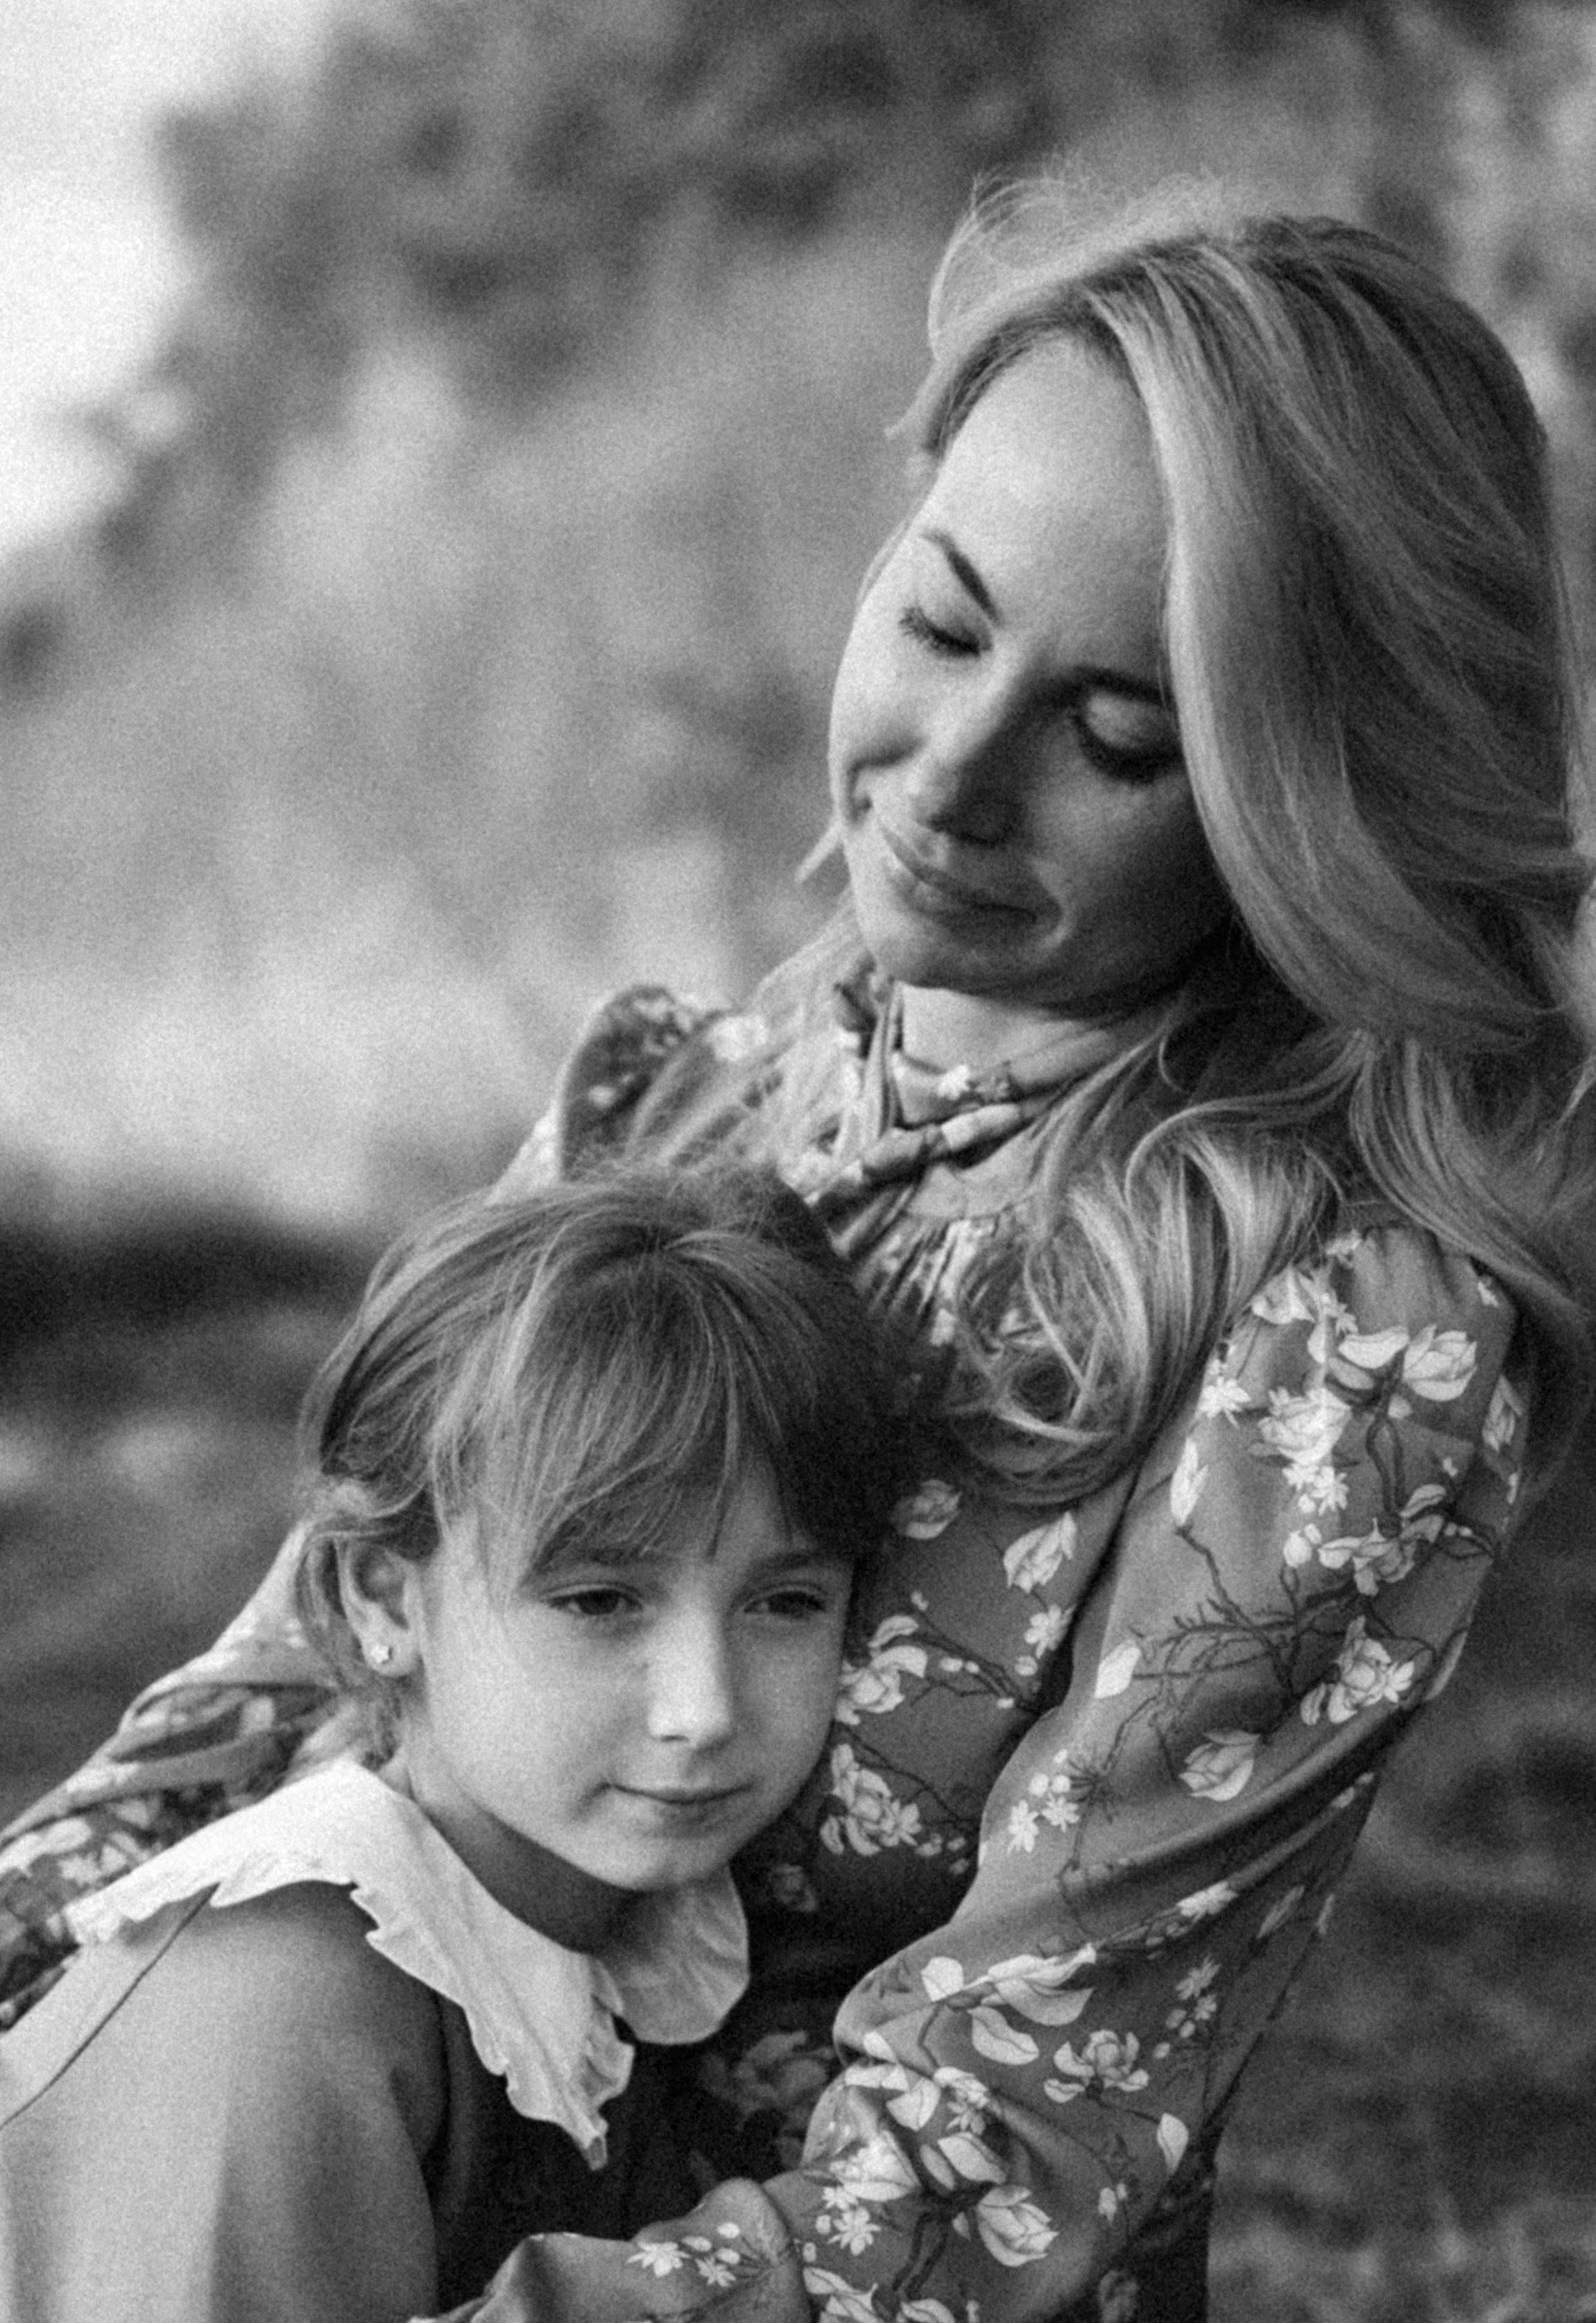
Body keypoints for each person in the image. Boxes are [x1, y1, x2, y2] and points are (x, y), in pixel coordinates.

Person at [3, 182, 1595, 2322]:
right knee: (234, 1983)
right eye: (941, 623)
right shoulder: (683, 1092)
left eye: (1117, 737)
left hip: (821, 2279)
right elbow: (308, 1658)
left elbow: (1028, 2110)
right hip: (412, 2137)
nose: (947, 777)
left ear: (1300, 793)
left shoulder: (1343, 1328)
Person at [0, 1167, 907, 2322]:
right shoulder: (279, 1998)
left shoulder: (605, 1937)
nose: (704, 1709)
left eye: (784, 1602)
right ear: (383, 1601)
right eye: (598, 1602)